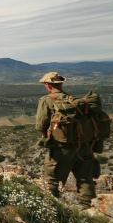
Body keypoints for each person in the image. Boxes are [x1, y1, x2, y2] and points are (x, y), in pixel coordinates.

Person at [36, 71, 98, 208]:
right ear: (60, 83)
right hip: (84, 146)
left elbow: (40, 124)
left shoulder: (47, 100)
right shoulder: (74, 101)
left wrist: (48, 135)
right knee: (85, 179)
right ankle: (87, 209)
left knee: (52, 179)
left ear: (48, 85)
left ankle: (52, 208)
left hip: (61, 148)